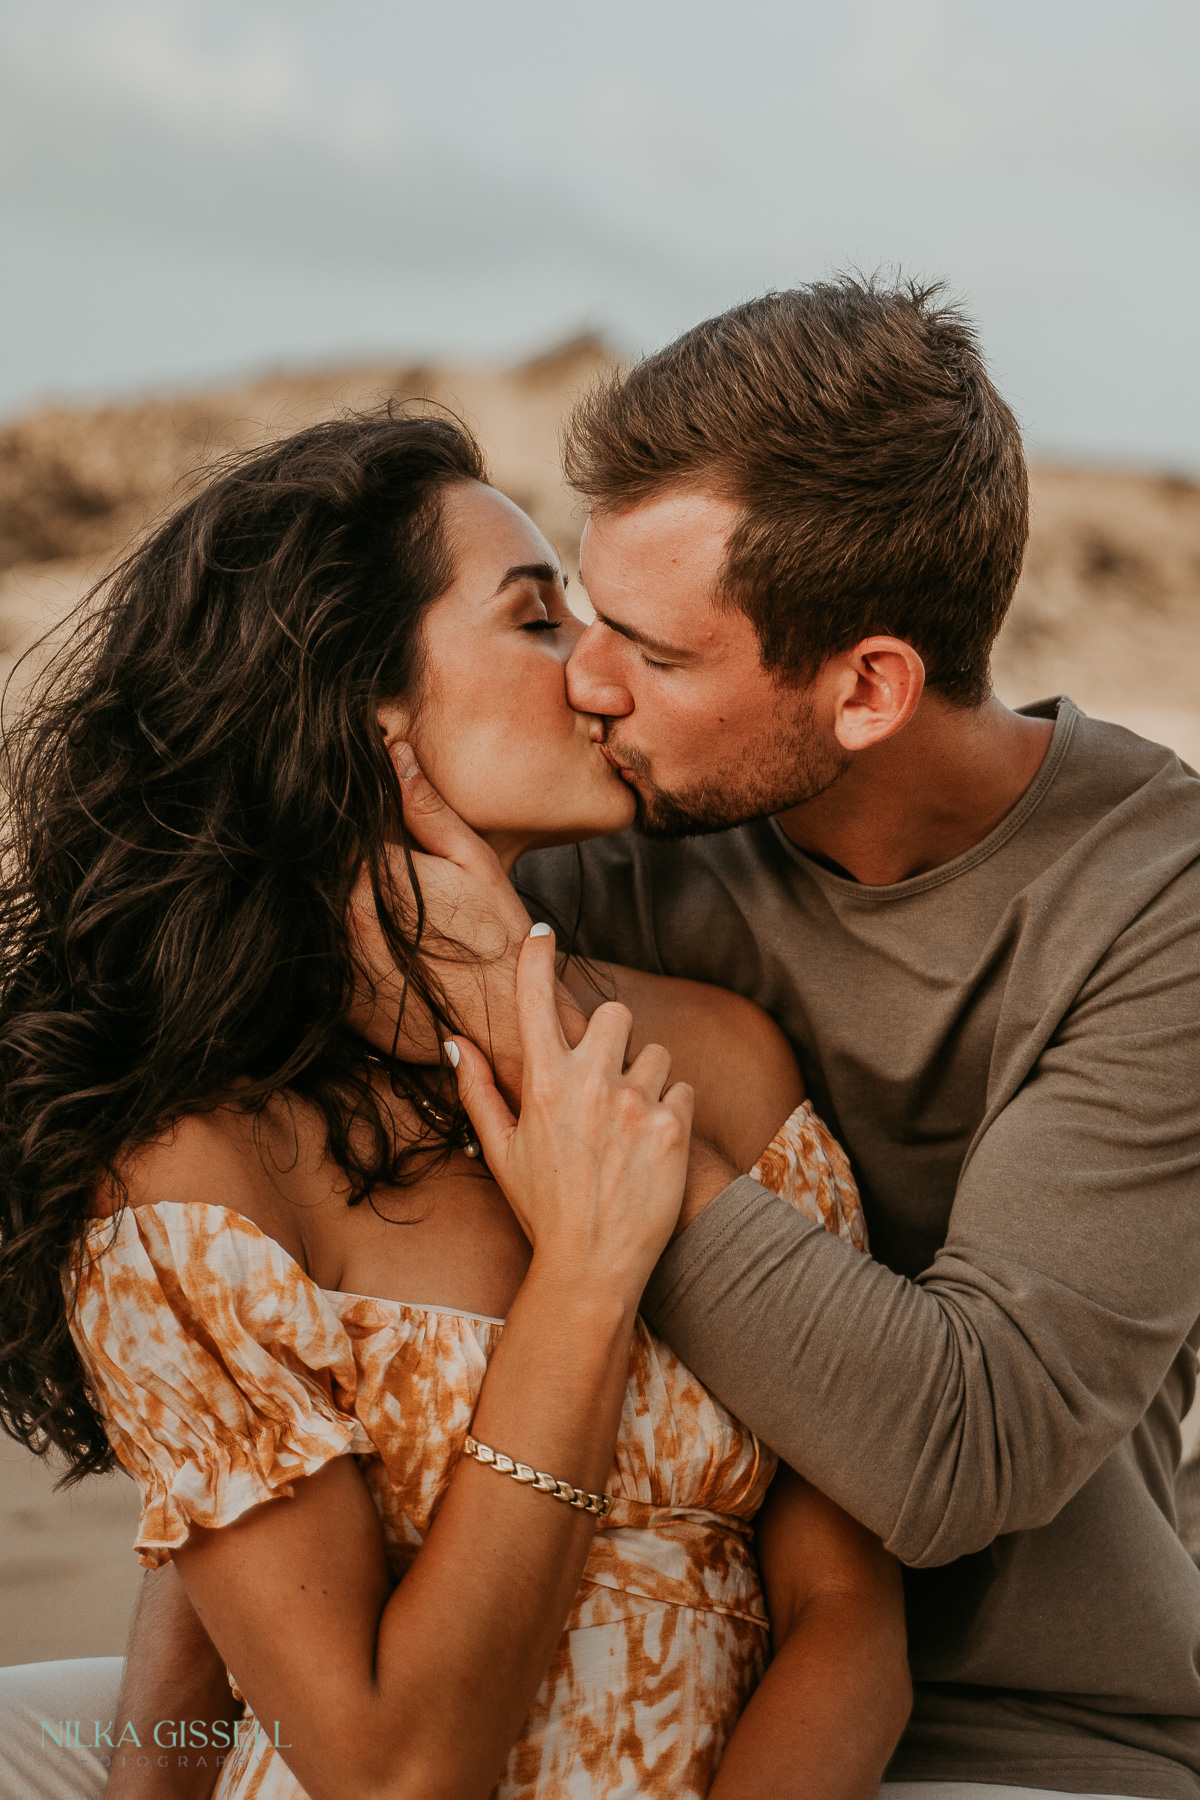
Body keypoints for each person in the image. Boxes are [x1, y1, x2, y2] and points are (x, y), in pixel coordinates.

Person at [0, 413, 910, 1800]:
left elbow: (850, 1623)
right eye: (540, 621)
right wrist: (591, 1278)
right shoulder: (199, 1172)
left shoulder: (720, 1056)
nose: (601, 676)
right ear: (366, 703)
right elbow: (387, 1771)